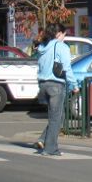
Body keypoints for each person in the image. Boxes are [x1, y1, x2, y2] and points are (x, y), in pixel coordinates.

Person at [34, 23, 79, 156]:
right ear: (59, 33)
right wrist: (74, 84)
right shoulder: (61, 47)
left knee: (58, 116)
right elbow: (67, 68)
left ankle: (43, 139)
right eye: (64, 34)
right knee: (56, 117)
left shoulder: (42, 46)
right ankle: (50, 148)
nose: (64, 37)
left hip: (43, 84)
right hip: (56, 85)